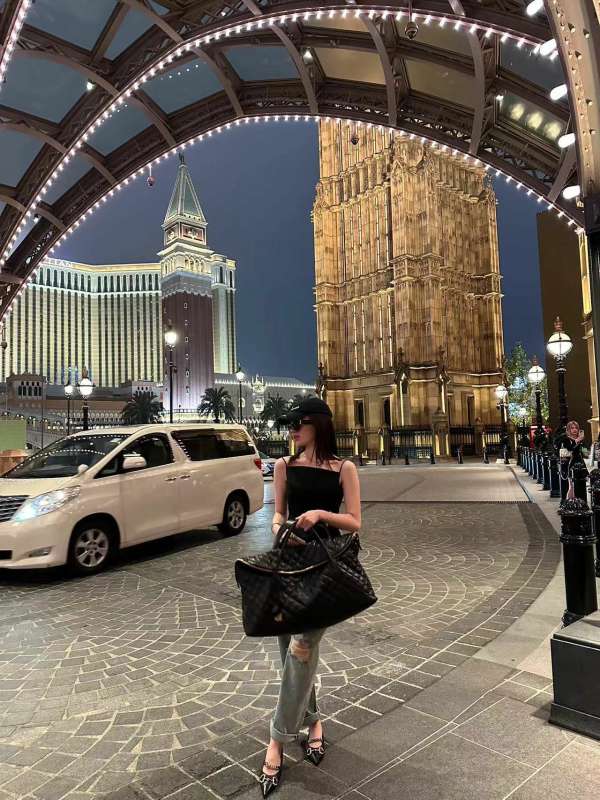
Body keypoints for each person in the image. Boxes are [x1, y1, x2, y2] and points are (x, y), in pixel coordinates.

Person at [258, 397, 361, 796]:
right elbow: (277, 515)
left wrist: (320, 514)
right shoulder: (284, 466)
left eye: (298, 423)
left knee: (302, 648)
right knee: (291, 652)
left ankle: (276, 740)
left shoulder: (343, 468)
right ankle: (314, 720)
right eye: (289, 424)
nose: (292, 430)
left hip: (324, 571)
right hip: (289, 566)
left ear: (318, 424)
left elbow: (354, 521)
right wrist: (279, 530)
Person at [556, 420, 587, 497]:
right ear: (568, 429)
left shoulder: (580, 439)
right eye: (572, 428)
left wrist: (583, 446)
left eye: (576, 428)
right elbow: (570, 449)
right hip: (569, 463)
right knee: (571, 486)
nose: (574, 430)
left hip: (580, 463)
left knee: (580, 485)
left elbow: (584, 452)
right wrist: (576, 441)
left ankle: (579, 501)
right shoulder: (565, 439)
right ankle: (569, 502)